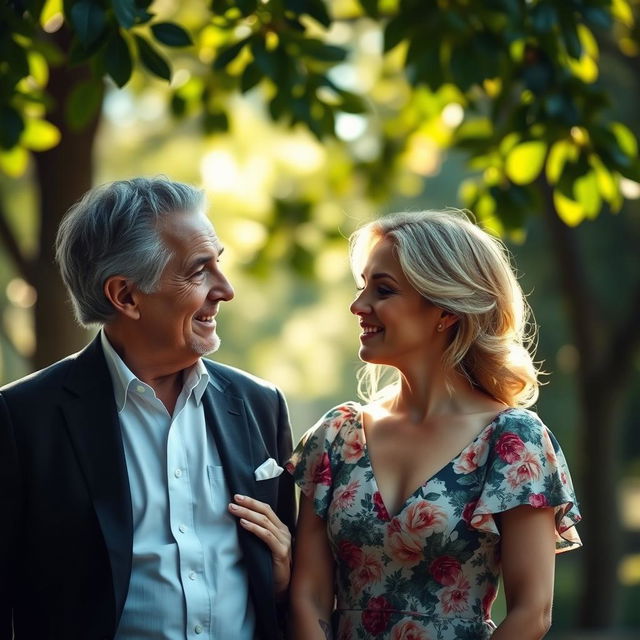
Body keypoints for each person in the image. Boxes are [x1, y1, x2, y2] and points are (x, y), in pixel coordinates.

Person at [0, 177, 295, 640]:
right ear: (126, 296)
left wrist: (280, 582)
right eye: (200, 271)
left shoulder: (261, 404)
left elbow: (284, 593)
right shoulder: (21, 419)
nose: (226, 289)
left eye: (219, 264)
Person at [287, 210, 581, 640]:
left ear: (445, 310)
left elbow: (532, 612)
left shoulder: (512, 441)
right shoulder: (337, 435)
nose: (358, 306)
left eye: (382, 290)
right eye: (361, 287)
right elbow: (308, 595)